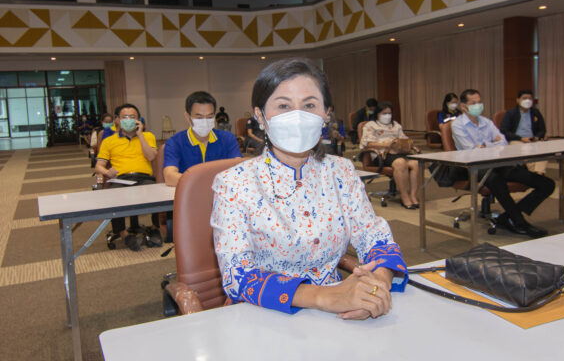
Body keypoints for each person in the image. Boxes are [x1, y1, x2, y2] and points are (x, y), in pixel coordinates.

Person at [210, 58, 408, 319]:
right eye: (283, 106)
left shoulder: (341, 171)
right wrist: (324, 297)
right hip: (263, 315)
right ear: (260, 116)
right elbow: (238, 275)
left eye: (309, 105)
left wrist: (376, 286)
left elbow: (375, 238)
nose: (297, 117)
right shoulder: (234, 183)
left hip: (339, 313)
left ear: (326, 114)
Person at [451, 89, 555, 238]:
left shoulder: (487, 122)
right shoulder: (458, 125)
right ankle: (519, 222)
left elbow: (504, 142)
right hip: (473, 167)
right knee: (495, 179)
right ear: (463, 106)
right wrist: (492, 144)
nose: (478, 105)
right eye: (473, 103)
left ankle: (506, 217)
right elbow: (472, 150)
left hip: (498, 163)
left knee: (547, 184)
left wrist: (484, 146)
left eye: (479, 102)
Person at [95, 103, 161, 251]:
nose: (129, 120)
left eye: (132, 117)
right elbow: (98, 166)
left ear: (139, 120)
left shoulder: (148, 136)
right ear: (117, 120)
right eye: (125, 117)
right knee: (114, 196)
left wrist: (140, 135)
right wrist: (106, 172)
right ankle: (124, 234)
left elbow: (151, 156)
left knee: (158, 193)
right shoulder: (109, 141)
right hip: (121, 178)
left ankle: (155, 228)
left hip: (144, 177)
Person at [163, 92, 241, 187]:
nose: (205, 122)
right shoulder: (175, 142)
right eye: (199, 117)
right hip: (190, 193)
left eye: (209, 117)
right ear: (188, 117)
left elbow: (239, 169)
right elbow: (170, 177)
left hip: (221, 193)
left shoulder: (228, 138)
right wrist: (204, 182)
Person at [360, 102, 421, 209]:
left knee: (415, 163)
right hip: (381, 154)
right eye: (384, 113)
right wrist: (385, 144)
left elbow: (404, 138)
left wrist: (411, 145)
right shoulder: (370, 126)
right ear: (377, 114)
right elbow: (366, 144)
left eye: (389, 113)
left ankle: (412, 195)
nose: (387, 116)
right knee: (400, 163)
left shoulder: (396, 125)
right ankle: (404, 197)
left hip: (397, 152)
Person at [500, 90, 548, 174]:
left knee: (544, 150)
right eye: (524, 98)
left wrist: (537, 137)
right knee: (527, 151)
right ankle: (537, 174)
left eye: (530, 98)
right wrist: (521, 138)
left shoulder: (535, 112)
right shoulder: (511, 113)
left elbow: (542, 129)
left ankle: (538, 174)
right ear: (518, 100)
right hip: (517, 140)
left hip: (533, 139)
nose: (527, 100)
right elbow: (504, 131)